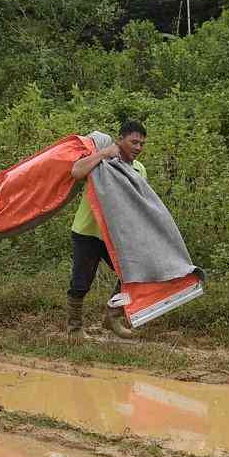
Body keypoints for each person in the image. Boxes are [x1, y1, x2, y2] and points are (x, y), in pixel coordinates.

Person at [67, 119, 147, 339]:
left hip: (116, 237)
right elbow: (76, 172)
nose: (138, 148)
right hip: (88, 232)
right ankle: (74, 329)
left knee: (133, 274)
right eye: (134, 142)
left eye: (141, 144)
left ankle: (112, 316)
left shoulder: (139, 170)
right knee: (81, 281)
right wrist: (104, 154)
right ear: (120, 140)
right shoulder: (100, 161)